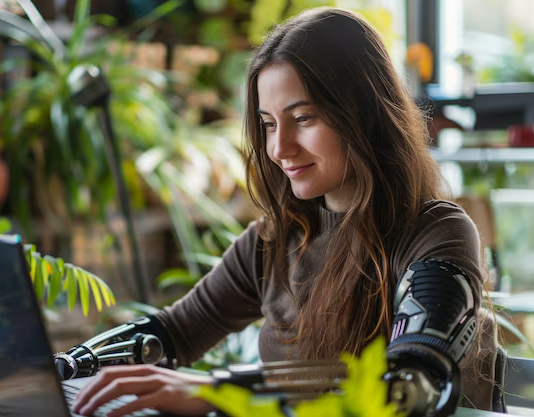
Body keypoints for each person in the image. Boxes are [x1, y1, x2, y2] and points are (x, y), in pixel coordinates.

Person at [73, 7, 497, 416]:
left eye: (303, 118)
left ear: (365, 115)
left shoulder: (436, 232)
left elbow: (412, 385)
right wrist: (72, 364)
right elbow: (175, 332)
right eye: (270, 124)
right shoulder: (275, 239)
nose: (279, 149)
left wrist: (223, 392)